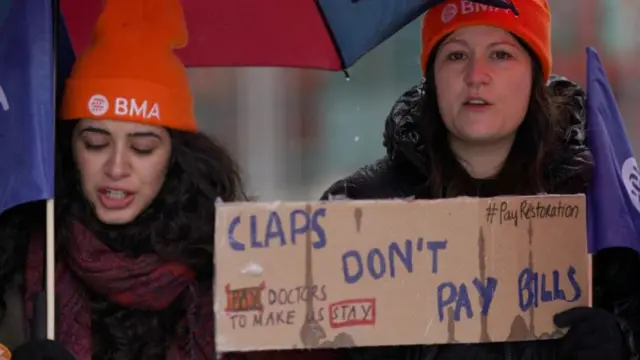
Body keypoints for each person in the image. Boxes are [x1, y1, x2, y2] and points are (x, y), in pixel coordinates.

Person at [0, 0, 345, 359]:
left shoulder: (231, 268)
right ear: (69, 149)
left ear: (175, 158)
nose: (117, 167)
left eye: (143, 147)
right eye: (96, 143)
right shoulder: (18, 264)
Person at [321, 0, 640, 359]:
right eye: (456, 56)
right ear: (432, 78)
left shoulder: (602, 208)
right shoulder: (357, 208)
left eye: (501, 55)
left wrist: (623, 342)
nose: (476, 75)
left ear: (535, 75)